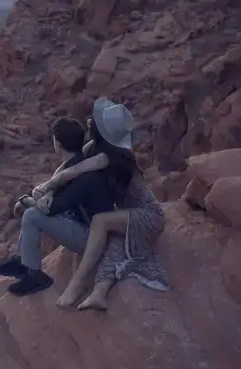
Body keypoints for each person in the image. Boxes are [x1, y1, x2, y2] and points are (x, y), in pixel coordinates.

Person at [32, 98, 169, 310]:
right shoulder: (95, 147)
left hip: (147, 216)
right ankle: (98, 294)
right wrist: (49, 192)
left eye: (93, 120)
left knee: (100, 222)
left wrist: (48, 187)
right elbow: (63, 168)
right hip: (125, 215)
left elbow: (71, 172)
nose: (88, 121)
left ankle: (76, 285)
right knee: (110, 250)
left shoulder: (108, 157)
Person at [0, 116, 118, 296]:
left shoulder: (82, 177)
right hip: (86, 224)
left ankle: (36, 277)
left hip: (93, 238)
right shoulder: (79, 164)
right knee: (34, 211)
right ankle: (22, 262)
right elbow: (56, 191)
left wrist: (26, 201)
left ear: (57, 144)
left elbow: (51, 209)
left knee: (32, 215)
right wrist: (45, 194)